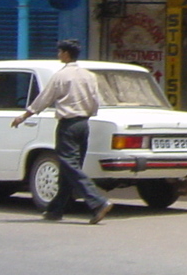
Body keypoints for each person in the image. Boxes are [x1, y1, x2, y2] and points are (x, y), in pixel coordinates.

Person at [11, 40, 113, 224]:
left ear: (66, 54)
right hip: (84, 124)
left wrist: (23, 116)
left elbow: (44, 98)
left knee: (69, 165)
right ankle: (56, 210)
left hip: (68, 125)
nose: (58, 55)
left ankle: (98, 201)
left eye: (60, 52)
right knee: (70, 169)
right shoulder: (89, 76)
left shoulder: (61, 76)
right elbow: (95, 101)